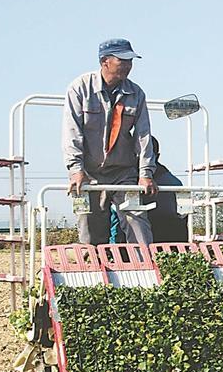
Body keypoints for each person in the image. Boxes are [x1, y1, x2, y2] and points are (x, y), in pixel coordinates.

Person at [62, 38, 157, 245]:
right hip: (89, 172)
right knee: (89, 226)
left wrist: (145, 174)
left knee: (136, 220)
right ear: (105, 61)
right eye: (122, 61)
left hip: (123, 172)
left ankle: (146, 269)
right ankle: (94, 271)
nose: (128, 66)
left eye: (130, 61)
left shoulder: (136, 93)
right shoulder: (80, 88)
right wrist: (76, 170)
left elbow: (143, 136)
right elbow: (72, 132)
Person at [109, 137, 187, 243]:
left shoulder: (123, 182)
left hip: (145, 238)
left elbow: (114, 222)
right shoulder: (175, 183)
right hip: (171, 240)